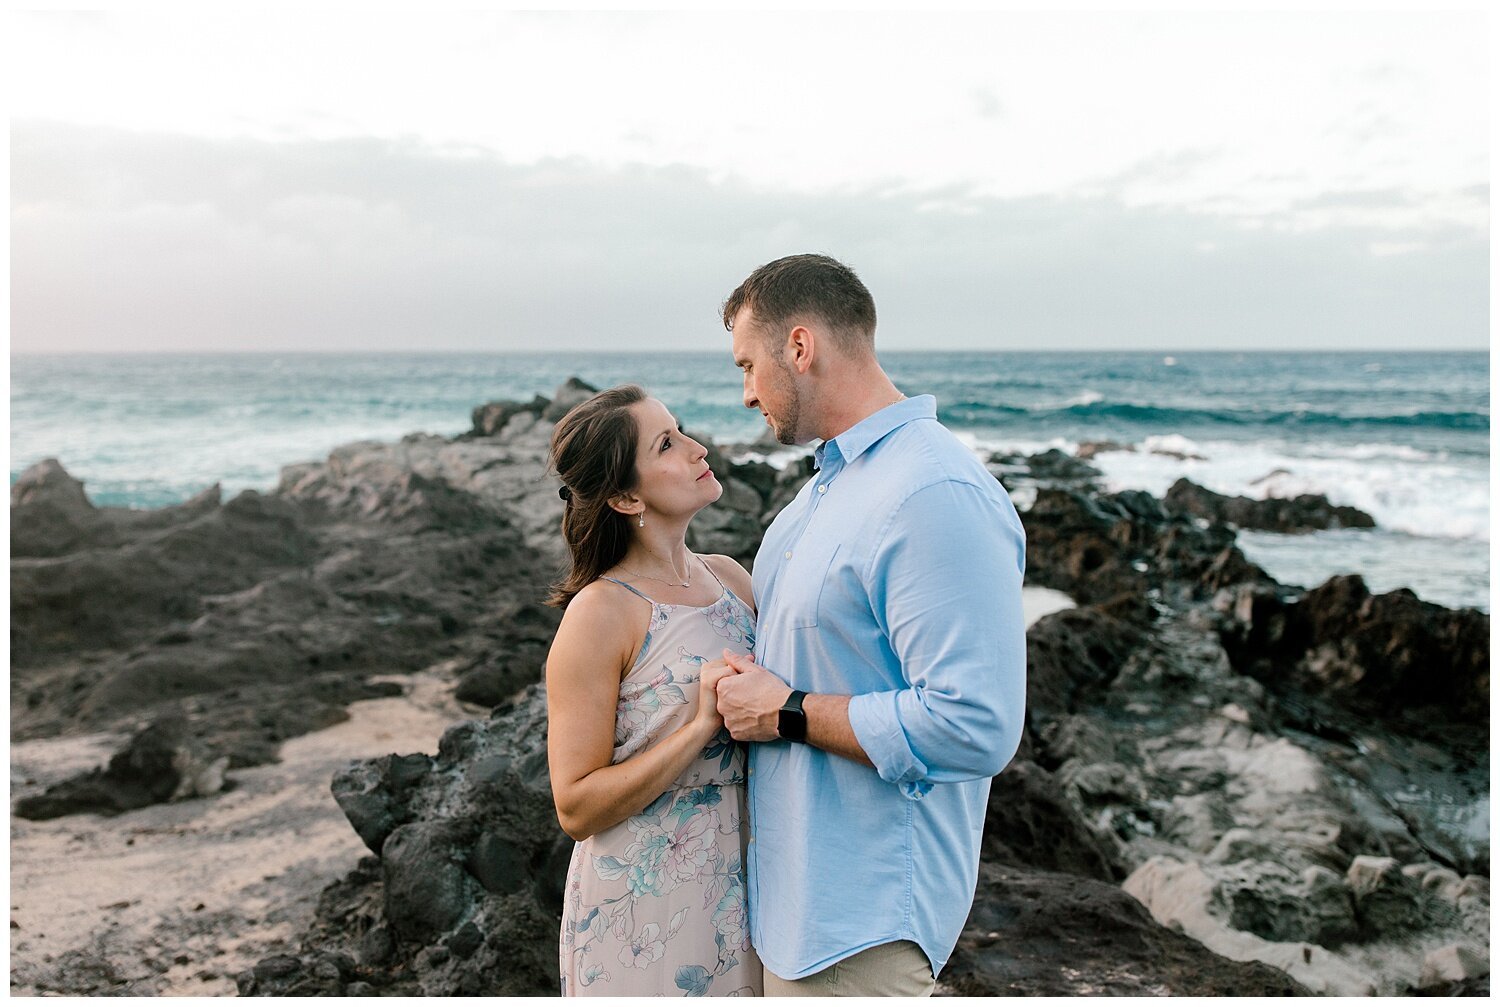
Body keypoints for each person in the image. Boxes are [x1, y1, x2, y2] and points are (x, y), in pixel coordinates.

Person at [707, 254, 1028, 996]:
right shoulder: (821, 495)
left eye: (748, 365)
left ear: (799, 346)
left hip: (863, 925)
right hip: (789, 912)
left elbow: (975, 721)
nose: (748, 393)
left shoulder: (931, 491)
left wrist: (785, 712)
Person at [544, 384, 763, 997]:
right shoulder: (601, 613)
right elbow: (576, 806)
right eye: (667, 443)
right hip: (643, 905)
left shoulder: (731, 579)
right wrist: (698, 728)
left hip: (750, 887)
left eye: (682, 430)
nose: (698, 449)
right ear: (624, 495)